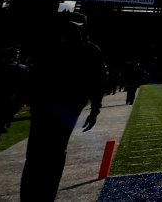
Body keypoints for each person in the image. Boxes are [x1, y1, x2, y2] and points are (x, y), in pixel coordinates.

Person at [20, 11, 106, 201]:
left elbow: (97, 81)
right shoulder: (62, 47)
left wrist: (95, 109)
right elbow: (97, 81)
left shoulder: (82, 49)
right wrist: (94, 109)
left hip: (62, 105)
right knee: (43, 153)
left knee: (48, 152)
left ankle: (39, 195)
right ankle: (37, 195)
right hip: (56, 104)